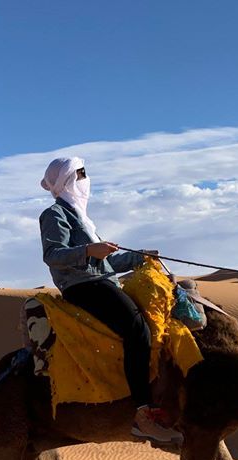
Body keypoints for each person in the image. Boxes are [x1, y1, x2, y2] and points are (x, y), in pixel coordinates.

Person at [40, 157, 182, 444]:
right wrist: (88, 250)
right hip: (83, 287)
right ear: (66, 180)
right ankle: (142, 414)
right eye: (80, 174)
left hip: (101, 280)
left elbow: (105, 263)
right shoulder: (54, 214)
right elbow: (52, 255)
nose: (85, 179)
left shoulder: (81, 216)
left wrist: (139, 256)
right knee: (137, 328)